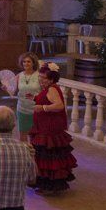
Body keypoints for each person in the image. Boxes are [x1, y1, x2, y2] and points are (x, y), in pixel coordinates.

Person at [29, 63, 76, 195]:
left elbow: (59, 106)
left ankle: (48, 185)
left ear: (51, 79)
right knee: (48, 155)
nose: (41, 80)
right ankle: (48, 184)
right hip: (45, 126)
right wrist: (34, 98)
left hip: (49, 128)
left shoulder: (52, 89)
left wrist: (42, 107)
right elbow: (48, 100)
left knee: (47, 156)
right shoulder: (49, 88)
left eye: (44, 78)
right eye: (40, 77)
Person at [2, 52, 40, 142]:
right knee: (23, 134)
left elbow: (45, 92)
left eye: (28, 62)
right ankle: (24, 153)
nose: (26, 64)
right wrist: (5, 88)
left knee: (35, 134)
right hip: (22, 108)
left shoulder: (39, 76)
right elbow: (12, 90)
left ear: (33, 63)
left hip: (36, 109)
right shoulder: (19, 75)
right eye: (24, 62)